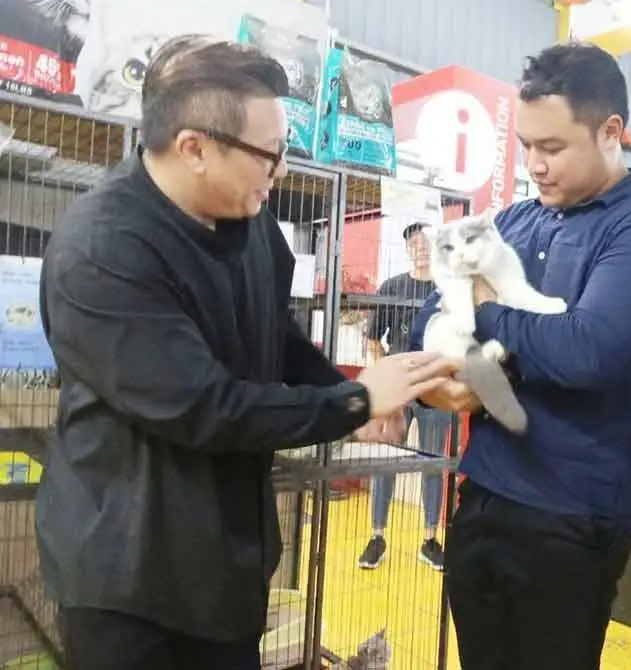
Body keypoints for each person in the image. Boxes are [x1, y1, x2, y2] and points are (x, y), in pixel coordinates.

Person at [36, 36, 452, 670]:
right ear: (194, 148)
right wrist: (353, 402)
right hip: (130, 572)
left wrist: (356, 396)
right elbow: (204, 407)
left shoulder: (249, 218)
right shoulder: (103, 251)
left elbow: (272, 333)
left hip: (227, 558)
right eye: (269, 154)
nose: (279, 172)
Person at [408, 43, 631, 669]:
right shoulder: (516, 220)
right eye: (526, 147)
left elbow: (583, 351)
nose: (535, 166)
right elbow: (423, 320)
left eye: (553, 147)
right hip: (484, 493)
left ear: (610, 132)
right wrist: (438, 378)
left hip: (572, 513)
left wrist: (480, 310)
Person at [359, 222, 451, 571]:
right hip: (397, 391)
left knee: (433, 463)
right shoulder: (392, 287)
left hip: (436, 389)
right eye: (414, 242)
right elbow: (372, 339)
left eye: (426, 241)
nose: (421, 247)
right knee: (385, 462)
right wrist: (385, 378)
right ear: (407, 249)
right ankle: (377, 536)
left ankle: (430, 539)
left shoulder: (448, 288)